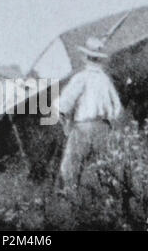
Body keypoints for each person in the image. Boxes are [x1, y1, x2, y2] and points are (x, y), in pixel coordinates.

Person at [58, 36, 122, 192]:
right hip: (104, 127)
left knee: (70, 169)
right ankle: (107, 201)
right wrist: (110, 121)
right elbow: (117, 107)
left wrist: (64, 119)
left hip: (83, 127)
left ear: (86, 58)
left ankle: (72, 201)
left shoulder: (81, 78)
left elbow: (64, 105)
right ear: (99, 60)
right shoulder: (105, 81)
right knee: (105, 168)